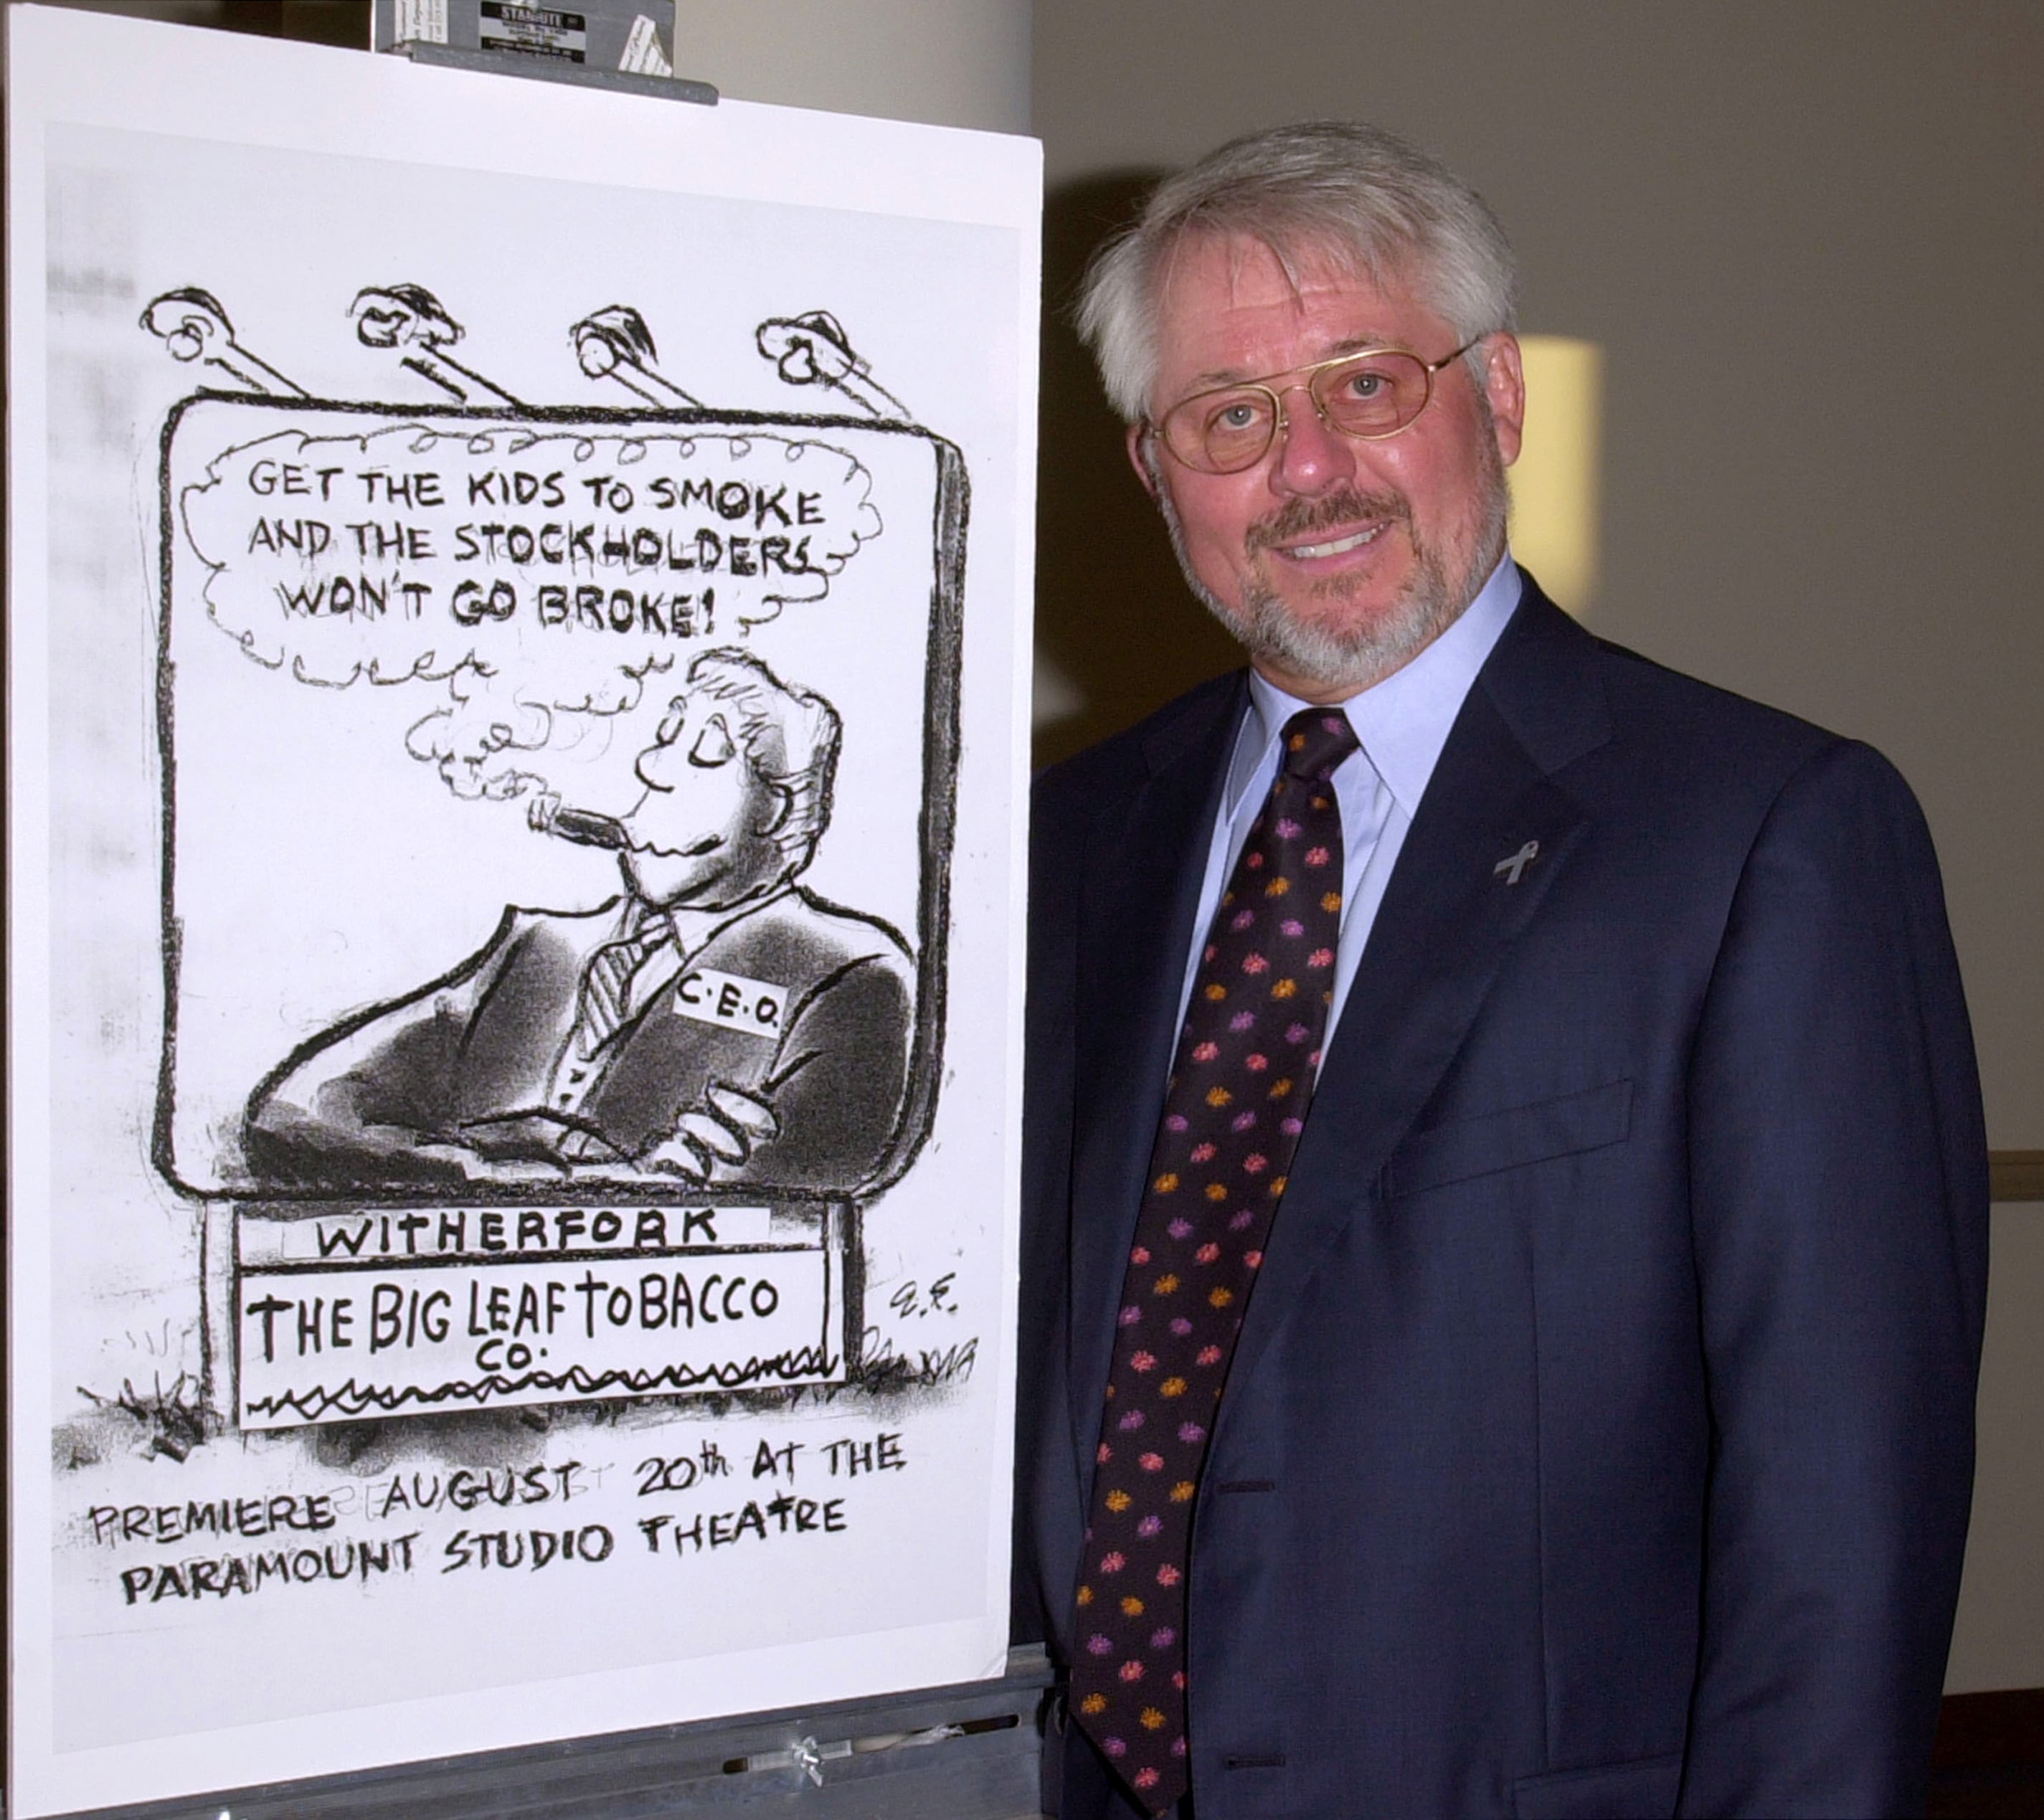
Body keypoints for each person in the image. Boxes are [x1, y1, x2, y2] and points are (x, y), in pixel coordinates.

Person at [1015, 122, 1987, 1819]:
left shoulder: (1770, 836)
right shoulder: (1066, 844)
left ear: (1504, 399)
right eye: (1229, 414)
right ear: (1156, 473)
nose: (1306, 468)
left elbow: (1842, 1524)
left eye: (1367, 384)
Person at [245, 647, 914, 1194]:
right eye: (663, 737)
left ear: (776, 809)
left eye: (705, 754)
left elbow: (808, 1189)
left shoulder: (850, 977)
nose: (653, 770)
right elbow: (296, 1111)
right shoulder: (543, 950)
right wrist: (499, 1169)